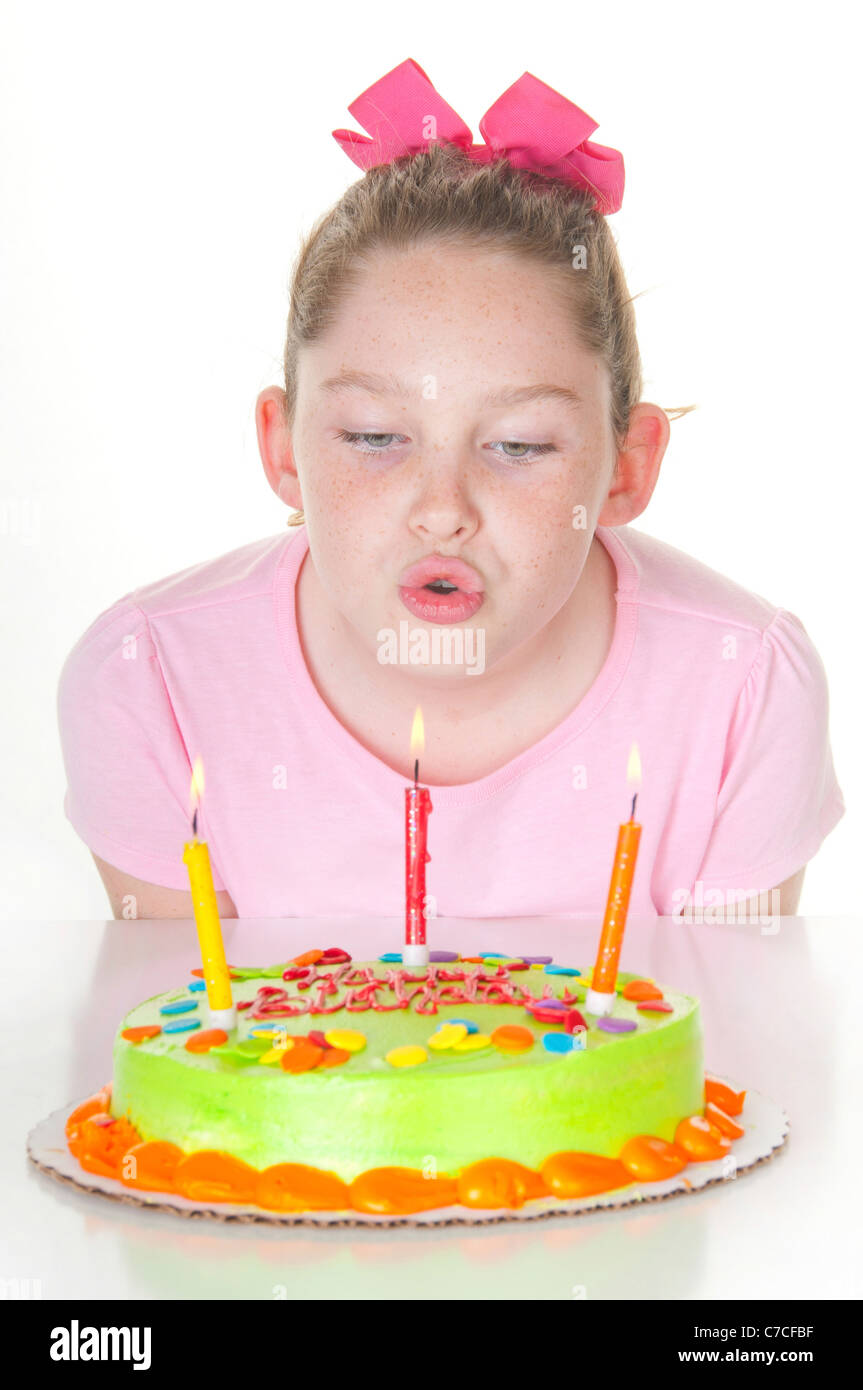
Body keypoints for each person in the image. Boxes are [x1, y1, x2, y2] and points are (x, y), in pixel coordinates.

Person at [57, 59, 844, 924]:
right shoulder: (148, 681)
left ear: (626, 465)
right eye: (372, 438)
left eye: (518, 445)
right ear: (282, 448)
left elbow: (728, 1039)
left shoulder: (742, 689)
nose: (441, 509)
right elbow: (182, 1042)